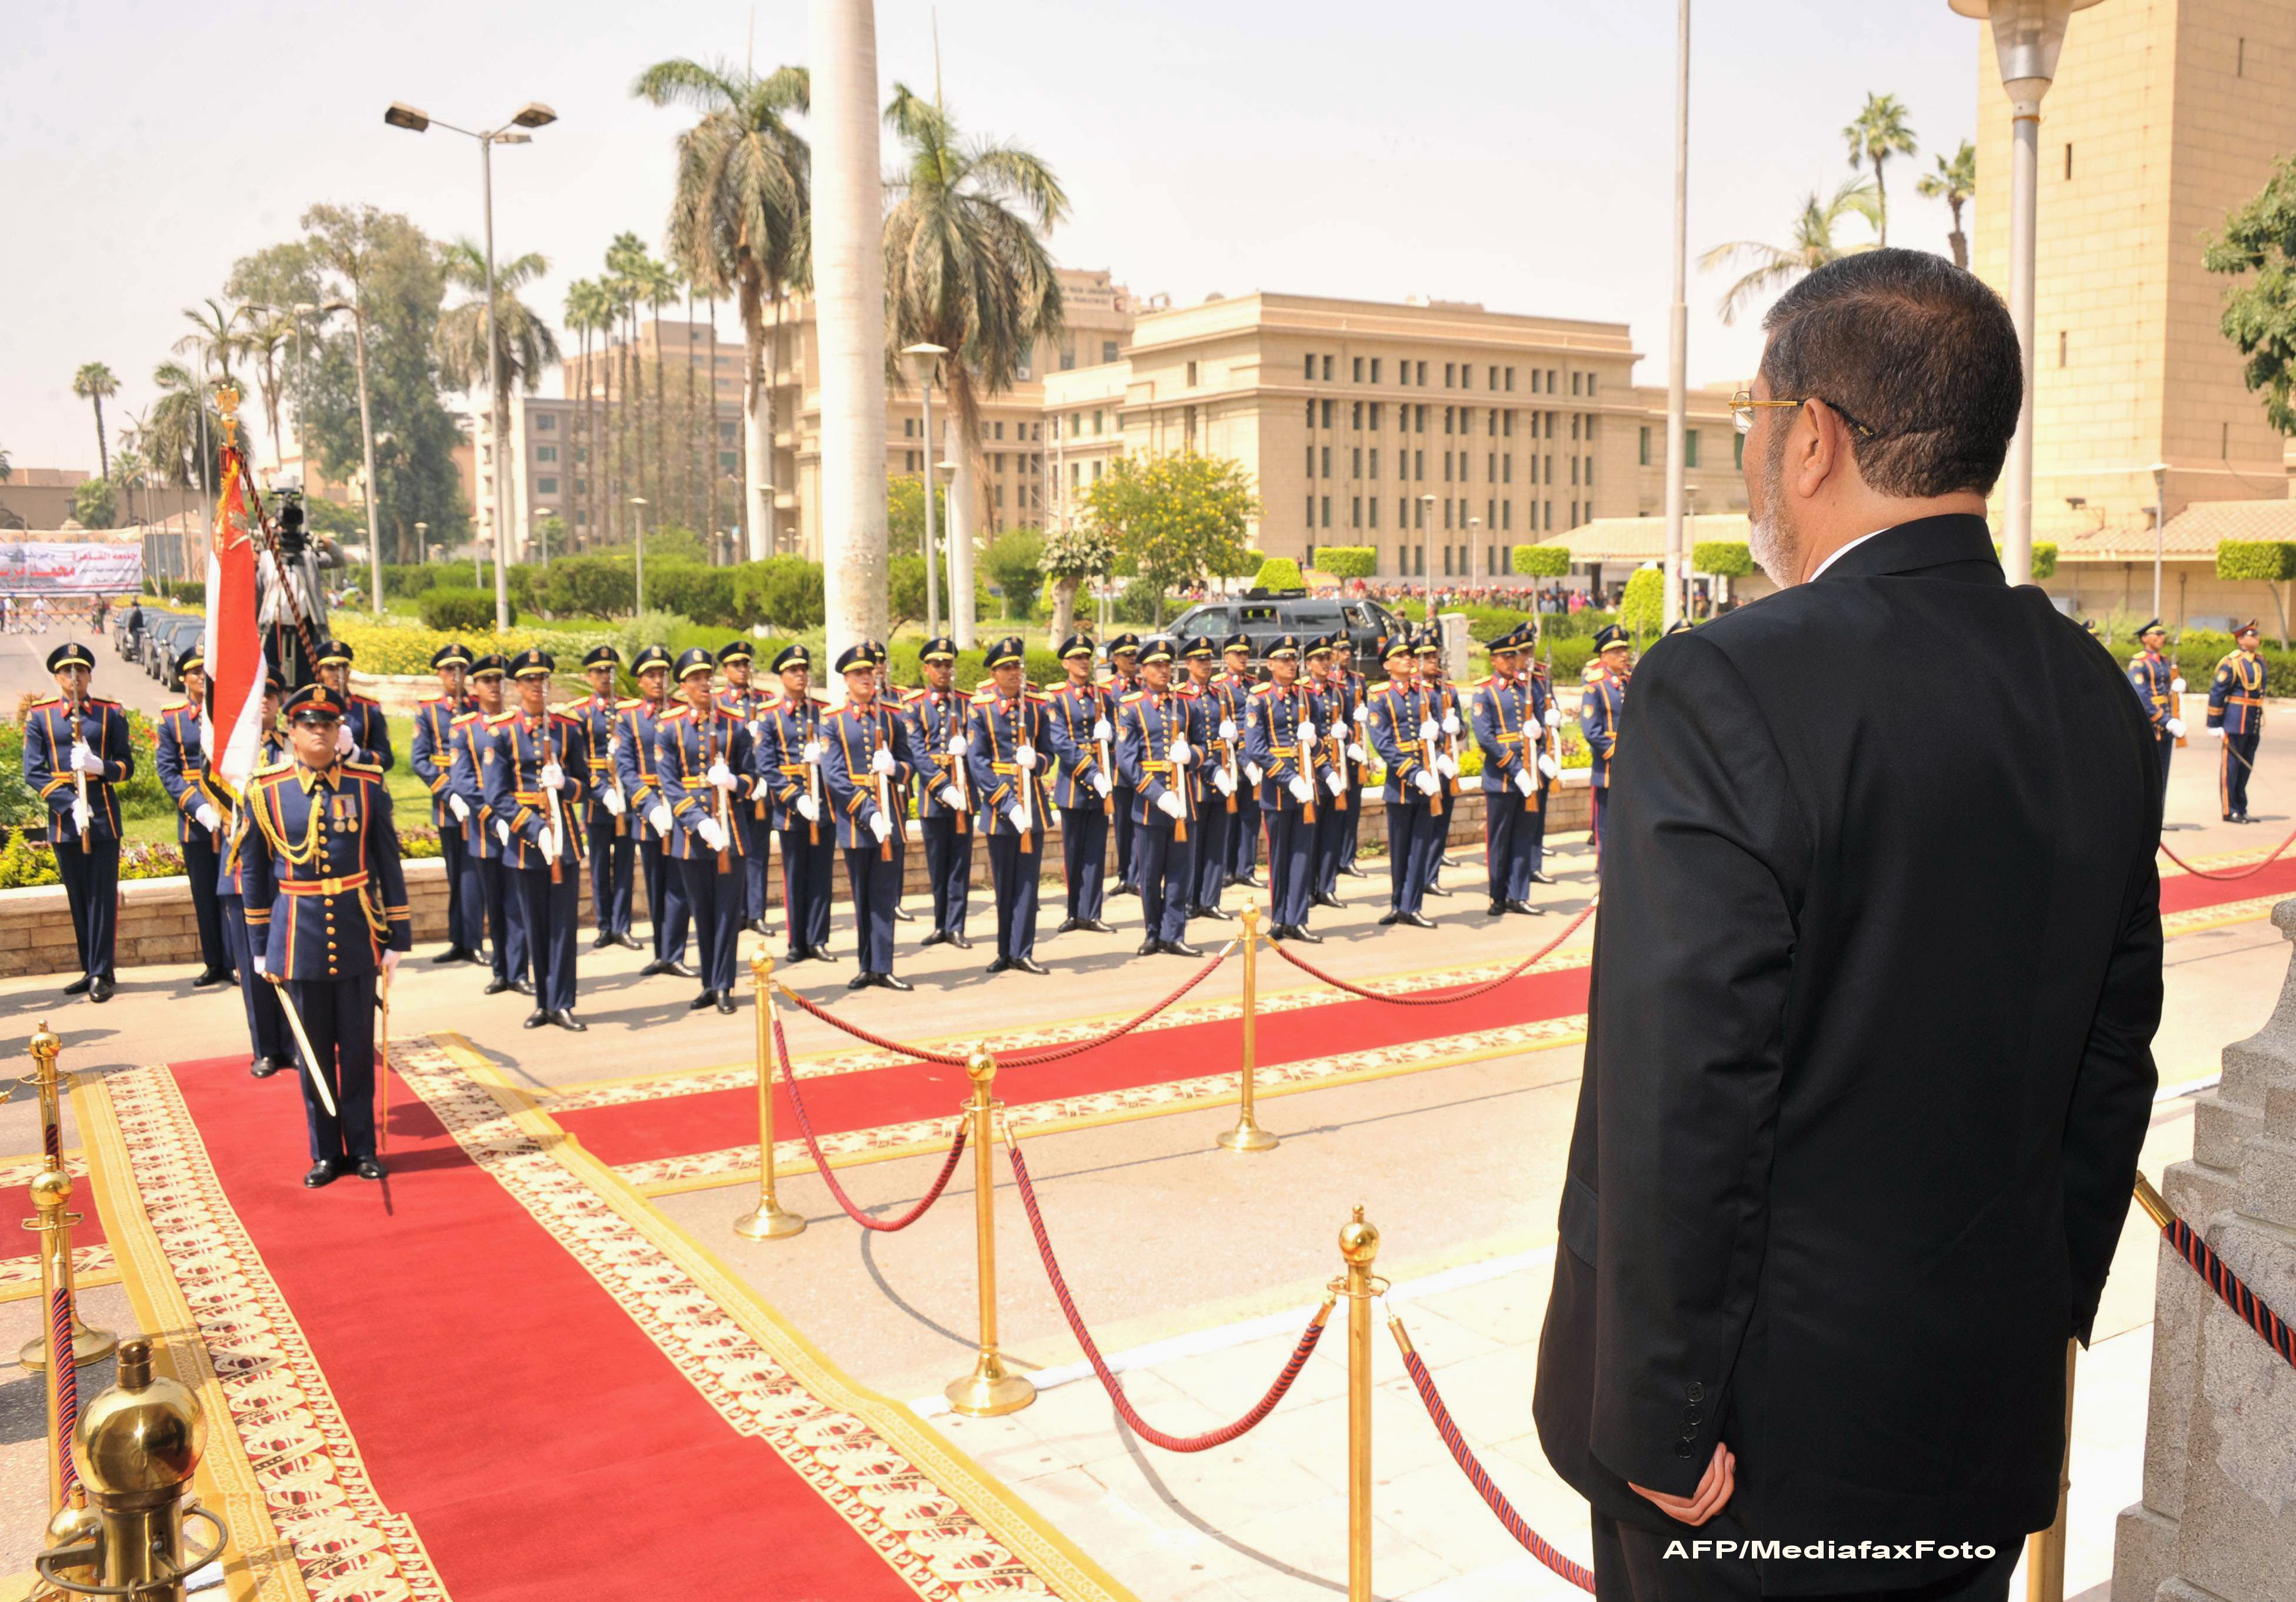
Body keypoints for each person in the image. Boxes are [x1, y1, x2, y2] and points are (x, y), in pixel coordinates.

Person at [1532, 249, 2161, 1601]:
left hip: (1748, 1455)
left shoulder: (1721, 686)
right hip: (1969, 1426)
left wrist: (1654, 1409)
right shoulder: (2094, 698)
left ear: (1810, 436)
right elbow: (2110, 1066)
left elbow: (1684, 1079)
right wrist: (2025, 1334)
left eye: (1751, 425)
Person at [237, 682, 412, 1187]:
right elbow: (253, 873)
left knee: (357, 1050)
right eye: (309, 724)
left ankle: (362, 1148)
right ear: (291, 732)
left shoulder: (365, 784)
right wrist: (258, 946)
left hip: (358, 932)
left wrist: (396, 936)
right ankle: (325, 1153)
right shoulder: (266, 790)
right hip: (298, 939)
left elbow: (387, 861)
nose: (320, 732)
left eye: (329, 725)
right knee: (312, 1052)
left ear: (340, 732)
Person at [484, 649, 588, 1031]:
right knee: (534, 924)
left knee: (562, 925)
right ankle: (543, 1002)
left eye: (542, 680)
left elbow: (585, 786)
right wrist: (534, 828)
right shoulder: (502, 732)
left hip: (565, 839)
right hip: (527, 842)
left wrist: (567, 784)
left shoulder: (567, 728)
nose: (537, 687)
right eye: (529, 680)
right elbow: (497, 796)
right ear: (517, 687)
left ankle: (562, 1001)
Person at [24, 641, 131, 1001]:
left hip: (102, 815)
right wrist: (68, 802)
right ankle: (90, 968)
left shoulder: (110, 714)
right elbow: (34, 772)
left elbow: (126, 766)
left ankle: (102, 972)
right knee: (78, 895)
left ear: (89, 676)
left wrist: (100, 766)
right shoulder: (41, 717)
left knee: (102, 896)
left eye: (81, 671)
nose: (75, 678)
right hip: (65, 818)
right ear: (57, 678)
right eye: (67, 672)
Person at [818, 641, 924, 990]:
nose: (867, 678)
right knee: (861, 894)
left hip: (890, 819)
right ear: (846, 680)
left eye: (870, 671)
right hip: (855, 823)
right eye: (859, 673)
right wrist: (868, 811)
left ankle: (884, 965)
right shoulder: (833, 722)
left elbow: (911, 766)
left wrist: (895, 769)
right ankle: (866, 965)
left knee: (883, 894)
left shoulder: (892, 717)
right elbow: (834, 777)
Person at [967, 635, 1072, 974]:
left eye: (1017, 667)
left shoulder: (1038, 706)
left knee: (1028, 884)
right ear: (995, 674)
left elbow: (1050, 753)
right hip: (1001, 811)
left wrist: (1037, 762)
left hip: (1033, 809)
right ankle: (1004, 951)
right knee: (1004, 884)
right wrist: (1006, 802)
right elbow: (978, 762)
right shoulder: (981, 709)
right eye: (1007, 668)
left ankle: (1023, 950)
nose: (1015, 673)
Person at [655, 648, 752, 1014]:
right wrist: (700, 823)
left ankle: (724, 984)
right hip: (693, 836)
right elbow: (671, 785)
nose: (703, 683)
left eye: (707, 677)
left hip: (732, 832)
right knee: (702, 910)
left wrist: (732, 782)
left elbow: (752, 777)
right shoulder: (670, 727)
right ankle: (708, 984)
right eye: (695, 678)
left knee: (728, 912)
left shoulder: (735, 723)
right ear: (682, 685)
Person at [212, 673, 290, 1077]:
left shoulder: (291, 750)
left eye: (271, 696)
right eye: (257, 695)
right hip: (243, 872)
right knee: (253, 966)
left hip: (286, 871)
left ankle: (292, 1042)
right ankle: (265, 1047)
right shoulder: (230, 757)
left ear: (280, 704)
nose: (264, 703)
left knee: (289, 962)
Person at [1117, 635, 1207, 957]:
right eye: (1157, 665)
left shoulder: (1185, 704)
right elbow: (1127, 761)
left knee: (1180, 872)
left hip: (1184, 800)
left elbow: (1203, 747)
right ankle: (1152, 933)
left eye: (1167, 664)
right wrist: (1157, 795)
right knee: (1151, 873)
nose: (1164, 670)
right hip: (1150, 805)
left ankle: (1174, 933)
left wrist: (1191, 756)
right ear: (1143, 670)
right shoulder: (1131, 708)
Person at [446, 654, 526, 996]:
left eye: (499, 680)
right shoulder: (464, 728)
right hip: (486, 831)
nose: (495, 687)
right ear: (475, 687)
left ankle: (520, 970)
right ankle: (501, 970)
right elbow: (462, 782)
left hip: (521, 826)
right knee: (494, 903)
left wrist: (515, 817)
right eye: (487, 681)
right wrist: (495, 818)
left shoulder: (519, 724)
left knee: (518, 904)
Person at [155, 645, 235, 986]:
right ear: (183, 679)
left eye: (206, 671)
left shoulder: (229, 714)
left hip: (230, 817)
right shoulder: (172, 718)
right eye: (194, 672)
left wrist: (227, 808)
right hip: (195, 820)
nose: (201, 677)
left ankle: (235, 961)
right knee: (204, 894)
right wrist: (198, 807)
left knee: (230, 892)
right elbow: (167, 771)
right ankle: (214, 962)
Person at [753, 645, 836, 964]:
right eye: (793, 671)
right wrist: (794, 798)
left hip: (823, 804)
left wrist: (823, 759)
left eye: (804, 670)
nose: (800, 676)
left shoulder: (822, 712)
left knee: (821, 875)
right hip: (791, 808)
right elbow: (767, 765)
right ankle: (796, 942)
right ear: (782, 677)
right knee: (795, 874)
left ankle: (818, 939)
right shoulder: (770, 717)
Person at [617, 644, 694, 977]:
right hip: (649, 811)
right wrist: (649, 806)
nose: (659, 680)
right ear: (640, 681)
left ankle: (675, 952)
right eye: (651, 675)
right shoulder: (629, 718)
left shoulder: (681, 713)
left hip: (681, 808)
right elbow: (626, 768)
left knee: (679, 883)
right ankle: (661, 952)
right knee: (655, 881)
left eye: (663, 673)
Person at [1242, 635, 1325, 942]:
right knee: (1279, 858)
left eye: (1294, 660)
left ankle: (1298, 919)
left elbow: (1321, 741)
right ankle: (1279, 918)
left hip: (1307, 789)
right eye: (1284, 660)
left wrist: (1318, 750)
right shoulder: (1259, 699)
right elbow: (1255, 748)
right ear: (1270, 665)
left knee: (1303, 855)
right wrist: (1288, 778)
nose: (1291, 665)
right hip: (1277, 791)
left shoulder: (1307, 697)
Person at [1469, 626, 1553, 916]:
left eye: (1513, 656)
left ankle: (1519, 895)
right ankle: (1498, 896)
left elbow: (1539, 729)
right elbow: (1485, 737)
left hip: (1529, 776)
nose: (1510, 661)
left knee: (1523, 837)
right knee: (1500, 840)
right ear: (1494, 660)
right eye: (1505, 657)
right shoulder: (1485, 692)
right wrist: (1515, 768)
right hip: (1501, 778)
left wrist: (1540, 745)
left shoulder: (1526, 688)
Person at [409, 642, 483, 964]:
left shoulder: (478, 706)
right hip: (447, 804)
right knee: (456, 874)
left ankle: (476, 940)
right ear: (439, 674)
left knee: (476, 873)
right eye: (449, 670)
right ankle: (459, 940)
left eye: (461, 669)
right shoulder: (428, 711)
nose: (455, 675)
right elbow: (420, 760)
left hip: (479, 804)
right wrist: (448, 793)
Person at [1366, 635, 1443, 928]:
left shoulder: (1425, 693)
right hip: (1401, 784)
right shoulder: (1380, 696)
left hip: (1428, 781)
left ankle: (1413, 906)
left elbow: (1444, 732)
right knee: (1399, 850)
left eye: (1410, 656)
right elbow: (1383, 744)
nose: (1408, 660)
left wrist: (1440, 741)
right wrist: (1415, 772)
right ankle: (1398, 904)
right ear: (1387, 664)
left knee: (1421, 847)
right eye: (1400, 657)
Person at [907, 635, 976, 950]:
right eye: (937, 665)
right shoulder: (915, 707)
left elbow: (979, 743)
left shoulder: (967, 703)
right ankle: (940, 925)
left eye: (948, 665)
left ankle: (957, 925)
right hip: (934, 798)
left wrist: (969, 748)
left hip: (964, 794)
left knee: (960, 863)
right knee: (938, 864)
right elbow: (918, 753)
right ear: (927, 669)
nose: (944, 671)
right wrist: (941, 787)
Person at [1046, 632, 1118, 935]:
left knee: (1095, 854)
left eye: (1086, 658)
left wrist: (1109, 734)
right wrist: (1093, 773)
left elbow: (1117, 735)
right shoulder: (1057, 699)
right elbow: (1061, 743)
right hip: (1074, 785)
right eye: (1077, 659)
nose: (1083, 663)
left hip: (1101, 784)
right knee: (1074, 854)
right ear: (1066, 663)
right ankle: (1074, 912)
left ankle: (1092, 912)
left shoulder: (1102, 696)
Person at [574, 645, 641, 951]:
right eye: (599, 671)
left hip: (626, 795)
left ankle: (622, 925)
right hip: (596, 798)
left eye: (610, 671)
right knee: (600, 865)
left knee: (625, 864)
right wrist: (601, 791)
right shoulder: (581, 713)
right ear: (589, 676)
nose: (605, 676)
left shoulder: (628, 710)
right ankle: (604, 926)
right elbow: (580, 760)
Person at [715, 640, 778, 937]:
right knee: (735, 849)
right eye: (736, 665)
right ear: (725, 670)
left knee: (759, 852)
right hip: (733, 786)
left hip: (761, 786)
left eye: (746, 664)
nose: (742, 670)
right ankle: (737, 911)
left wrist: (765, 779)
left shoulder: (764, 700)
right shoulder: (718, 703)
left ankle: (757, 912)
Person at [1179, 634, 1240, 922]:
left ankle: (1210, 899)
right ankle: (1189, 900)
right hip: (1195, 778)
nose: (1206, 665)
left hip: (1222, 773)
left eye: (1208, 660)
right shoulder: (1181, 696)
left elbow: (1229, 735)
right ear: (1188, 663)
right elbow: (1184, 741)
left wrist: (1234, 737)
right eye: (1200, 660)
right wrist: (1209, 769)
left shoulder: (1221, 694)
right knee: (1194, 842)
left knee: (1217, 840)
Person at [1301, 636, 1355, 908]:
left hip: (1336, 769)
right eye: (1319, 659)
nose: (1325, 663)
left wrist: (1347, 734)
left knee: (1332, 832)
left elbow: (1350, 725)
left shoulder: (1340, 690)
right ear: (1309, 663)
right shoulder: (1302, 691)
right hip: (1312, 769)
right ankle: (1309, 887)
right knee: (1311, 833)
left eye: (1327, 658)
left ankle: (1327, 886)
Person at [1578, 624, 1631, 872]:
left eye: (1625, 649)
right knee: (1606, 832)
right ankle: (1605, 883)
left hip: (1631, 767)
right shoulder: (1595, 686)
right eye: (1617, 650)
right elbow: (1591, 730)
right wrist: (1616, 753)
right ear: (1604, 656)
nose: (1624, 654)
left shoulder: (1629, 682)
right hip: (1608, 769)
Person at [1416, 631, 1465, 892]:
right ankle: (1420, 876)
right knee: (1425, 826)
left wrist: (1457, 728)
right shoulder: (1416, 691)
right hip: (1425, 767)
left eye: (1435, 656)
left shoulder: (1447, 688)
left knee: (1441, 825)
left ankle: (1431, 877)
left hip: (1447, 767)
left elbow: (1464, 729)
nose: (1432, 661)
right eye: (1427, 657)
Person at [2125, 620, 2182, 831]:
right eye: (2156, 634)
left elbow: (2163, 691)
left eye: (2162, 633)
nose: (2161, 637)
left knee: (2162, 774)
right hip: (2150, 727)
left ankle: (2158, 817)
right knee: (2147, 775)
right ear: (2144, 638)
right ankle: (2143, 820)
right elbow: (2143, 698)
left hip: (2165, 727)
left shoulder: (2164, 661)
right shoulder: (2138, 663)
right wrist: (2166, 720)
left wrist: (2175, 687)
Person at [2206, 620, 2265, 823]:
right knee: (2231, 768)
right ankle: (2230, 810)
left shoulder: (2259, 661)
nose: (2257, 638)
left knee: (2245, 767)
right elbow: (2218, 693)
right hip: (2235, 721)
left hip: (2252, 722)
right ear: (2241, 639)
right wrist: (2214, 724)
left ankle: (2241, 806)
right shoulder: (2232, 662)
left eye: (2257, 635)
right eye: (2252, 635)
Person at [1219, 634, 1265, 889]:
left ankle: (1245, 869)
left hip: (1253, 755)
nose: (1243, 658)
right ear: (1227, 658)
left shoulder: (1254, 685)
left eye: (1246, 654)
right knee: (1230, 814)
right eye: (1238, 654)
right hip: (1231, 757)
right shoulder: (1220, 686)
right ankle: (1227, 869)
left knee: (1251, 815)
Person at [312, 639, 394, 771]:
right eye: (330, 669)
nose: (337, 675)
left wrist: (354, 754)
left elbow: (386, 759)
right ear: (320, 673)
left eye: (342, 668)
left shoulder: (368, 709)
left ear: (348, 673)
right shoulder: (308, 708)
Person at [1105, 632, 1144, 895]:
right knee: (1122, 824)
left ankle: (1137, 875)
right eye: (1127, 655)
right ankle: (1124, 875)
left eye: (1135, 655)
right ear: (1115, 659)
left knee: (1140, 820)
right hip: (1119, 765)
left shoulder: (1143, 686)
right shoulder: (1106, 689)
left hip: (1141, 763)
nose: (1132, 659)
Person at [1331, 635, 1372, 879]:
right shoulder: (1329, 682)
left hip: (1355, 750)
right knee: (1336, 807)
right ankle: (1333, 857)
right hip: (1336, 749)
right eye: (1341, 650)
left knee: (1353, 808)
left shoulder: (1358, 681)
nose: (1346, 654)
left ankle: (1348, 858)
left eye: (1348, 650)